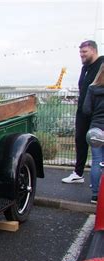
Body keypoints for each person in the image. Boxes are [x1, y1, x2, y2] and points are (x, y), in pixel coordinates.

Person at [62, 40, 104, 183]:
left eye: (84, 52)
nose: (81, 55)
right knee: (80, 140)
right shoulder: (84, 68)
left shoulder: (102, 63)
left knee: (97, 147)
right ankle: (78, 173)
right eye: (80, 52)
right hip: (82, 111)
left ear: (93, 50)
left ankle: (98, 180)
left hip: (97, 112)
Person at [83, 63, 104, 203]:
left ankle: (95, 194)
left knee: (96, 161)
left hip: (95, 130)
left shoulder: (92, 88)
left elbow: (86, 110)